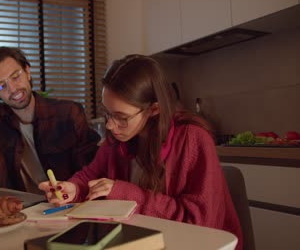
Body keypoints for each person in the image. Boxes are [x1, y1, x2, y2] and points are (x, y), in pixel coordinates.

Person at [38, 54, 243, 249]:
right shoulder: (117, 138)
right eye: (107, 113)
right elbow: (90, 176)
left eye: (121, 117)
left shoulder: (193, 138)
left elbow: (200, 221)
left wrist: (124, 193)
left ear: (153, 110)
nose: (110, 125)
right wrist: (72, 190)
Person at [0, 47, 101, 194]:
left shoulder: (68, 113)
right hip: (20, 208)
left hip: (67, 204)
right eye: (0, 86)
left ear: (28, 71)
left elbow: (93, 170)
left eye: (16, 76)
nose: (13, 89)